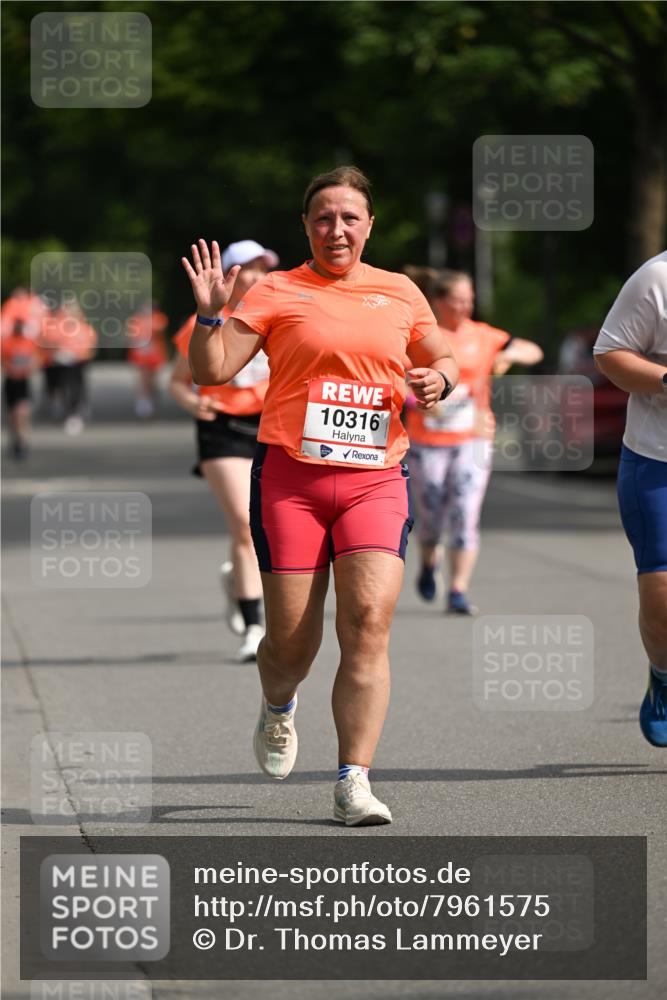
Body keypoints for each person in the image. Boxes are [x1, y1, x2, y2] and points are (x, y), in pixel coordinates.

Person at [182, 166, 459, 825]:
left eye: (349, 217)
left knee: (366, 625)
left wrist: (437, 382)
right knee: (289, 646)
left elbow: (443, 358)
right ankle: (278, 706)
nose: (336, 228)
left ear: (369, 225)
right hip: (291, 482)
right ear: (306, 226)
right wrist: (207, 314)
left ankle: (352, 781)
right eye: (323, 218)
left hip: (375, 480)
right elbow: (212, 371)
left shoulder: (399, 292)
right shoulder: (279, 290)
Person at [405, 268, 543, 614]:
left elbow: (533, 350)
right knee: (433, 515)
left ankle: (457, 590)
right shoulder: (421, 336)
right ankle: (428, 563)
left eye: (470, 300)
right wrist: (415, 400)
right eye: (457, 300)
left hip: (473, 438)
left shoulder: (484, 335)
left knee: (465, 512)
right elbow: (395, 377)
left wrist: (508, 356)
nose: (465, 306)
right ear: (437, 302)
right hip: (427, 440)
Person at [170, 240, 278, 663]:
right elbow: (179, 380)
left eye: (261, 269)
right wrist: (194, 401)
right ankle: (255, 626)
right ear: (227, 275)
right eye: (247, 269)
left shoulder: (276, 318)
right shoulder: (206, 321)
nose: (255, 277)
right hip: (222, 431)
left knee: (266, 526)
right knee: (244, 522)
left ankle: (239, 580)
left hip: (270, 428)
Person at [593, 251, 667, 748]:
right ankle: (663, 675)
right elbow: (610, 352)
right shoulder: (658, 277)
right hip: (657, 458)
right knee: (662, 591)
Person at [1, 319, 41, 459]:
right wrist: (11, 370)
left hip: (23, 382)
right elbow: (3, 360)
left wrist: (27, 370)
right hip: (11, 382)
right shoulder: (7, 343)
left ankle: (23, 442)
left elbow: (35, 360)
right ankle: (14, 441)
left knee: (22, 413)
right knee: (13, 415)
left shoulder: (28, 343)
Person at [126, 303, 169, 419]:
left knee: (152, 380)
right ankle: (143, 402)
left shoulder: (158, 318)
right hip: (140, 355)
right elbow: (132, 336)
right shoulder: (136, 320)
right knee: (142, 379)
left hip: (155, 355)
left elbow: (159, 329)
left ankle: (152, 399)